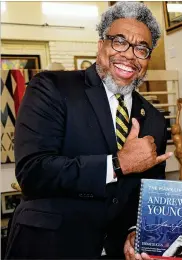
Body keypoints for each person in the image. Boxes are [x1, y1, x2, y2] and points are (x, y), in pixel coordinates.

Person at [5, 2, 172, 259]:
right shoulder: (52, 88)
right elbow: (33, 173)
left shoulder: (154, 119)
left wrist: (134, 231)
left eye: (141, 48)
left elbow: (146, 195)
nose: (129, 55)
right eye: (119, 41)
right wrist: (117, 164)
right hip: (48, 248)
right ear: (100, 45)